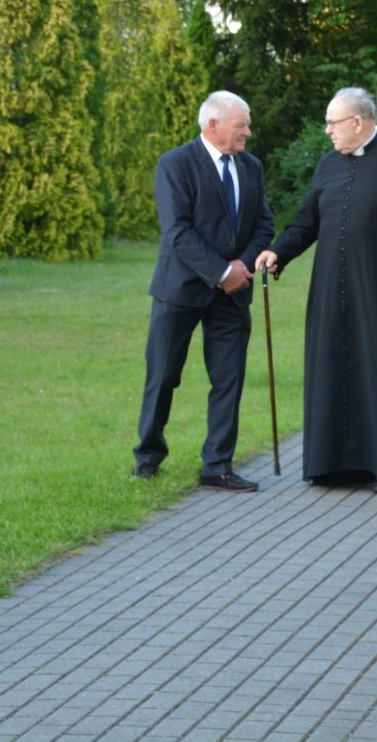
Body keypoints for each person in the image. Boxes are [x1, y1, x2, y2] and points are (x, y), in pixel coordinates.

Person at [253, 88, 377, 493]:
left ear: (358, 122)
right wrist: (278, 251)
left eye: (333, 122)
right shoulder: (328, 164)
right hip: (333, 289)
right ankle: (333, 464)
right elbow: (307, 221)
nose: (328, 130)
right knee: (334, 365)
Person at [134, 91, 275, 492]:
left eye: (247, 125)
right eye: (241, 125)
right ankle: (147, 457)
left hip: (234, 292)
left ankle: (217, 465)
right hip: (180, 289)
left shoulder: (251, 166)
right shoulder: (175, 164)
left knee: (229, 378)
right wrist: (220, 272)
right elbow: (177, 231)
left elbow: (264, 223)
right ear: (213, 125)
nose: (248, 132)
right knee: (163, 375)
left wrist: (240, 267)